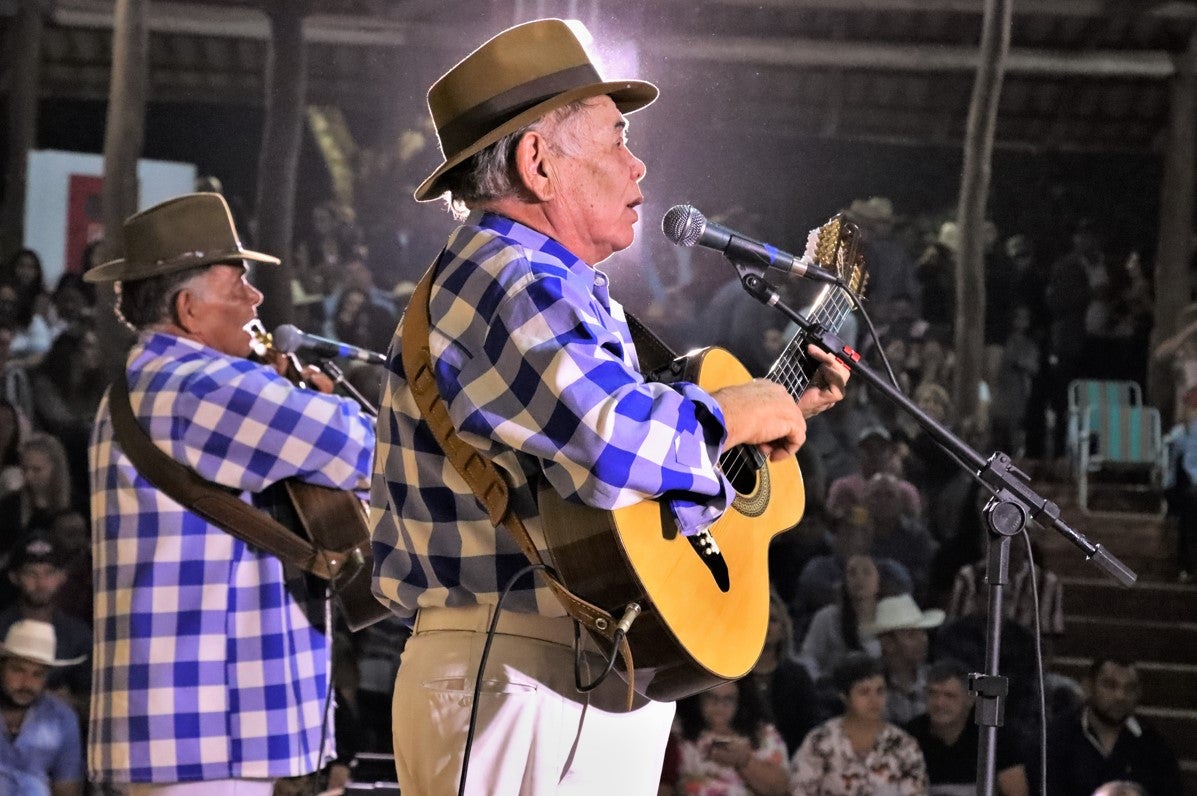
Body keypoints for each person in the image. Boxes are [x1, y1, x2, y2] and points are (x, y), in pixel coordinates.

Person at [369, 18, 849, 794]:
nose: (638, 163)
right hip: (518, 664)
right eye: (615, 139)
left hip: (553, 666)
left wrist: (776, 411)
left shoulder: (540, 282)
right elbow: (609, 440)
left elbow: (606, 482)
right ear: (537, 162)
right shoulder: (513, 277)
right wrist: (732, 414)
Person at [84, 192, 376, 793]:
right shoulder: (200, 382)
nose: (256, 298)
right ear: (189, 309)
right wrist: (321, 401)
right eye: (238, 281)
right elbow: (363, 447)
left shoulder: (148, 382)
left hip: (185, 723)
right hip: (206, 724)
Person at [789, 652, 928, 795]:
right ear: (844, 696)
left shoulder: (904, 745)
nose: (874, 700)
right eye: (864, 692)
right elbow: (799, 790)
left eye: (880, 691)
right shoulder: (820, 741)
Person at [1046, 658, 1182, 796]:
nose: (1120, 696)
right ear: (1088, 687)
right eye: (1110, 685)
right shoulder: (1059, 737)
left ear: (1139, 693)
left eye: (1130, 688)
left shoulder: (1153, 744)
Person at [904, 657, 1029, 796]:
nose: (939, 703)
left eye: (949, 696)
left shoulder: (993, 736)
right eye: (933, 694)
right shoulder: (910, 736)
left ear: (970, 699)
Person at [0, 530, 91, 717]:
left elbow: (95, 700)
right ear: (14, 577)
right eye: (30, 574)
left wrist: (65, 702)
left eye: (49, 573)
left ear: (62, 577)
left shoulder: (78, 636)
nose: (40, 583)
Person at [0, 619, 84, 796]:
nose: (26, 683)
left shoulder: (62, 718)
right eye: (17, 670)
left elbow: (67, 788)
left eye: (37, 674)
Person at [672, 679, 791, 796]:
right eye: (711, 697)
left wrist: (744, 761)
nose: (719, 705)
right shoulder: (678, 733)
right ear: (699, 697)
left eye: (728, 699)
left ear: (740, 701)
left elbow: (780, 789)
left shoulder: (763, 734)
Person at [751, 588, 823, 756]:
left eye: (772, 620)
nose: (765, 625)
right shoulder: (731, 678)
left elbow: (811, 729)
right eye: (759, 618)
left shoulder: (798, 677)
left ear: (783, 629)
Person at [861, 593, 945, 725]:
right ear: (888, 643)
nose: (923, 640)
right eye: (911, 635)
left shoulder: (936, 679)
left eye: (922, 632)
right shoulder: (869, 685)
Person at [798, 552, 882, 682]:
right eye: (852, 573)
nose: (859, 578)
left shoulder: (891, 617)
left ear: (878, 581)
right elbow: (809, 657)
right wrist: (820, 681)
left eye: (866, 572)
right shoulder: (826, 618)